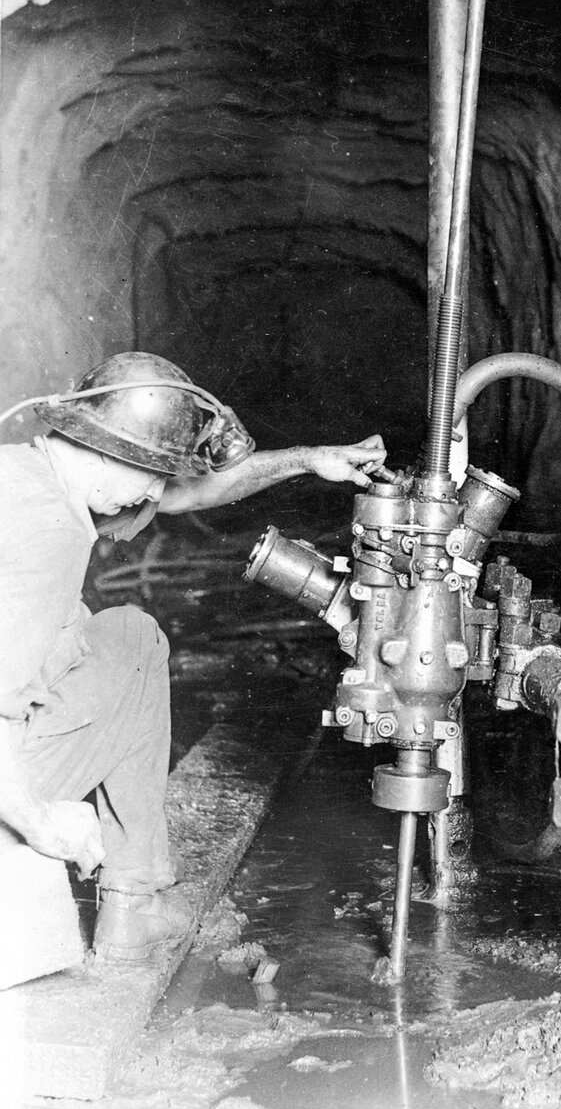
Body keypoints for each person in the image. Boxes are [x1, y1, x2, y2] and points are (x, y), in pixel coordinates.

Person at [0, 351, 386, 963]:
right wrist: (40, 821)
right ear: (111, 451)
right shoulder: (50, 532)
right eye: (153, 472)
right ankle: (134, 907)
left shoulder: (27, 472)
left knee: (126, 635)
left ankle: (132, 906)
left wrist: (309, 461)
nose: (158, 490)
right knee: (134, 645)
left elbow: (193, 491)